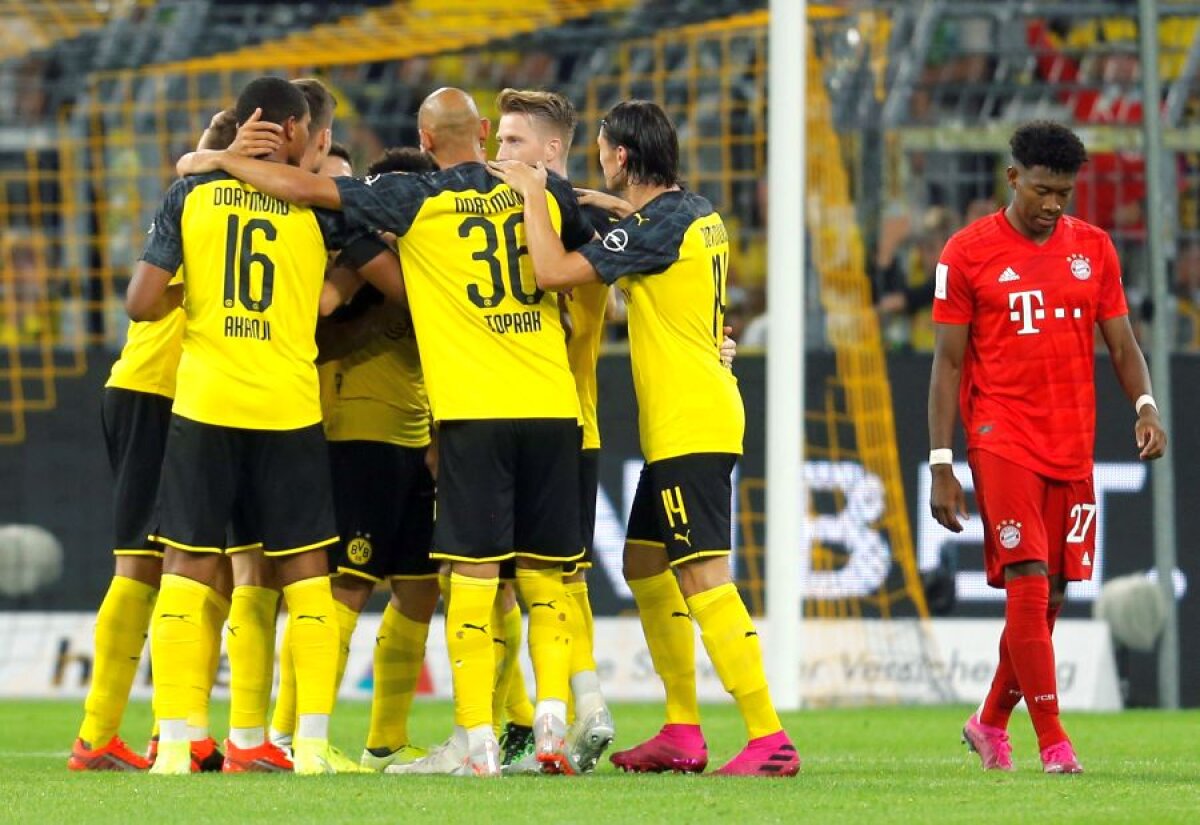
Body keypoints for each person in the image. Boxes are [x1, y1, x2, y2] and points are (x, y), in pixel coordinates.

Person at [177, 86, 596, 777]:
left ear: (425, 143)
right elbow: (587, 250)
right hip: (551, 409)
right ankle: (550, 726)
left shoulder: (412, 200)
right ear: (486, 131)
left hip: (470, 413)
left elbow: (305, 192)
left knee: (466, 576)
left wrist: (210, 161)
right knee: (542, 580)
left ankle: (477, 744)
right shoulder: (541, 192)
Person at [489, 99, 799, 777]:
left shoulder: (658, 230)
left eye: (603, 148)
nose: (600, 157)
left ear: (622, 155)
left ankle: (768, 734)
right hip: (691, 414)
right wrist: (591, 196)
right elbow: (642, 224)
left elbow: (551, 271)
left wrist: (538, 196)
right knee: (644, 566)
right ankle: (683, 729)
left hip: (692, 420)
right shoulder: (696, 214)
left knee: (703, 576)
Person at [126, 76, 401, 775]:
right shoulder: (321, 210)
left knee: (187, 568)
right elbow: (385, 287)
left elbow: (141, 301)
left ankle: (177, 745)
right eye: (314, 134)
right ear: (293, 134)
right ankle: (307, 744)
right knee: (306, 571)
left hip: (206, 402)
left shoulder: (189, 193)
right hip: (288, 408)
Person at [928, 121, 1166, 774]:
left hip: (1071, 441)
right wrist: (942, 463)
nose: (1053, 203)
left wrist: (1145, 407)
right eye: (1041, 189)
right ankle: (1054, 742)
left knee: (1052, 591)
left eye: (1064, 192)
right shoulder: (966, 253)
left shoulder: (1093, 250)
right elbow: (947, 365)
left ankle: (989, 722)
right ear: (1013, 179)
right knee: (1029, 582)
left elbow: (1122, 345)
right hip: (1000, 437)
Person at [67, 108, 242, 774]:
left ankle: (177, 724)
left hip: (160, 388)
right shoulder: (209, 204)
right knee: (149, 562)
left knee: (208, 563)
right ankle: (109, 731)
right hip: (163, 391)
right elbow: (143, 299)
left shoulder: (190, 202)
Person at [269, 145, 443, 773]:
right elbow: (319, 322)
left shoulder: (434, 259)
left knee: (420, 590)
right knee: (347, 585)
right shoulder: (360, 257)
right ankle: (288, 735)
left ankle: (387, 740)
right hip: (358, 435)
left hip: (412, 437)